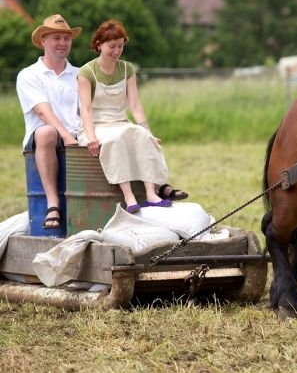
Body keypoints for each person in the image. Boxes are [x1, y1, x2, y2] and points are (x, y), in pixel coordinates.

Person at [76, 19, 182, 214]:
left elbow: (134, 104)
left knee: (141, 136)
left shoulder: (127, 69)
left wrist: (148, 132)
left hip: (121, 121)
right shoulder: (86, 72)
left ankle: (151, 194)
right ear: (99, 45)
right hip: (96, 125)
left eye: (121, 46)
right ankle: (129, 196)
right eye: (112, 46)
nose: (116, 51)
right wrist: (91, 137)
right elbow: (86, 109)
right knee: (115, 140)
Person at [17, 14, 82, 229]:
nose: (62, 43)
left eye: (67, 38)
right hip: (43, 141)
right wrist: (67, 137)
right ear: (43, 40)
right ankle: (53, 204)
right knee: (46, 132)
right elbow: (43, 112)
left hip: (76, 135)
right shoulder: (29, 75)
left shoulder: (80, 74)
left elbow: (88, 112)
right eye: (56, 38)